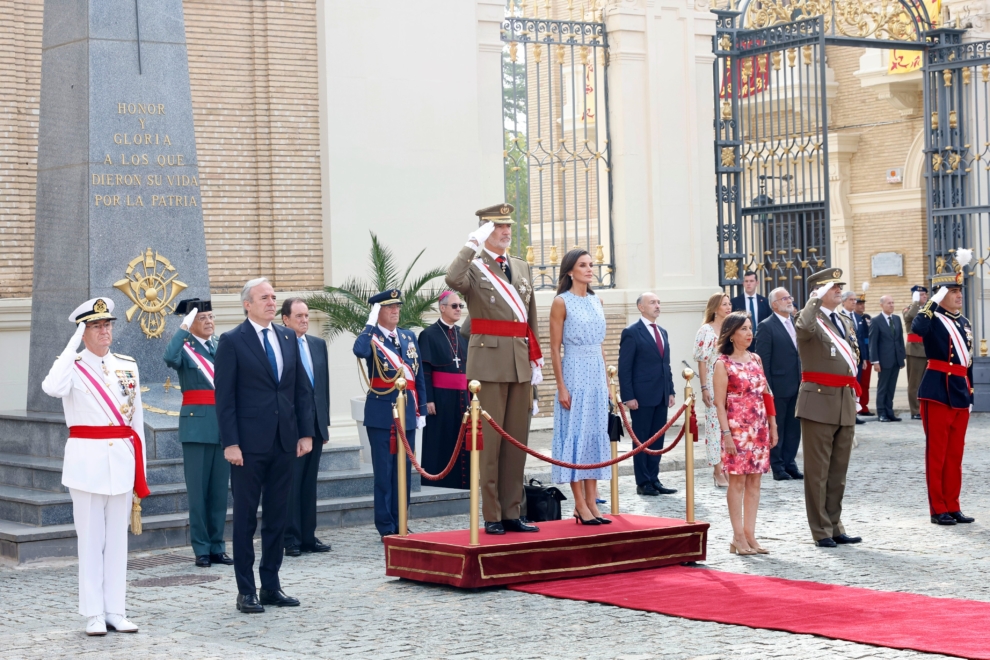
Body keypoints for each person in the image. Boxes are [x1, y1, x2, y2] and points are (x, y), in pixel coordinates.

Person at [42, 297, 145, 636]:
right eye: (96, 326)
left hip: (120, 462)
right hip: (86, 464)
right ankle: (93, 614)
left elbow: (137, 422)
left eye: (107, 325)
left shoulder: (127, 365)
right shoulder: (70, 366)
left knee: (117, 540)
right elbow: (51, 387)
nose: (105, 331)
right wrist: (72, 346)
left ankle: (115, 609)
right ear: (83, 332)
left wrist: (137, 468)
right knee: (90, 540)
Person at [215, 278, 316, 614]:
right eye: (264, 298)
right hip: (248, 446)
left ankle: (271, 584)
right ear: (247, 304)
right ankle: (246, 590)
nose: (272, 302)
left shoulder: (287, 336)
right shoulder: (232, 341)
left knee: (277, 516)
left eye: (274, 297)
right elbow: (225, 398)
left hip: (284, 441)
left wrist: (305, 433)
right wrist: (230, 442)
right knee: (245, 519)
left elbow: (300, 389)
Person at [445, 203, 543, 535]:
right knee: (490, 446)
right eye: (497, 227)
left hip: (519, 364)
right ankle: (492, 514)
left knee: (516, 443)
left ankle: (513, 510)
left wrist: (535, 364)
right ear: (485, 231)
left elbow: (531, 320)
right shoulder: (474, 267)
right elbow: (452, 278)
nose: (505, 232)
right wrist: (471, 244)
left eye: (508, 227)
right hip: (488, 364)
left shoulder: (521, 266)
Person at [794, 268, 862, 548]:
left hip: (844, 400)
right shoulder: (809, 318)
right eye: (832, 287)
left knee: (838, 473)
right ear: (819, 291)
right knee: (818, 471)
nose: (838, 290)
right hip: (818, 402)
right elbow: (803, 329)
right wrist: (814, 301)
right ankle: (820, 529)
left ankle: (835, 525)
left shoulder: (844, 320)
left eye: (839, 286)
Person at [353, 289, 428, 539]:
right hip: (381, 413)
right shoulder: (371, 338)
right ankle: (386, 526)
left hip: (407, 411)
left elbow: (418, 377)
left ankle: (402, 520)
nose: (396, 311)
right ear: (378, 312)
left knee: (404, 471)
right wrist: (369, 323)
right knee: (384, 474)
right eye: (389, 307)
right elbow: (359, 350)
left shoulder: (408, 337)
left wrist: (422, 409)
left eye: (397, 306)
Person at [163, 298, 232, 569]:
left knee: (218, 493)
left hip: (222, 428)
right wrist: (182, 327)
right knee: (198, 493)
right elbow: (169, 357)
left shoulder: (219, 347)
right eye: (202, 319)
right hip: (196, 428)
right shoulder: (185, 348)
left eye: (211, 317)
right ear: (191, 324)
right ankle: (201, 549)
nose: (209, 322)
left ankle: (218, 546)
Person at [550, 250, 612, 524]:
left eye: (591, 265)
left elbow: (601, 346)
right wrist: (561, 386)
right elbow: (553, 347)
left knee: (594, 435)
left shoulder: (597, 300)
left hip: (596, 374)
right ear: (569, 271)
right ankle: (579, 505)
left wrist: (610, 385)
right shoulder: (561, 302)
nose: (589, 269)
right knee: (575, 435)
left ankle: (591, 501)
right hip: (574, 371)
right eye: (583, 265)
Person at [912, 270, 975, 526]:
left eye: (960, 291)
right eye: (953, 292)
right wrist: (932, 302)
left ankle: (953, 505)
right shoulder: (933, 318)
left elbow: (967, 361)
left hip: (959, 390)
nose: (959, 296)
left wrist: (970, 393)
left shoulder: (964, 321)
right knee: (937, 453)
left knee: (954, 455)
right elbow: (918, 328)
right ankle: (938, 508)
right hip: (937, 390)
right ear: (941, 295)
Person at [713, 312, 777, 555]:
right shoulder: (722, 363)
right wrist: (726, 434)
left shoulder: (756, 359)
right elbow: (719, 403)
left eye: (750, 328)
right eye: (743, 329)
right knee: (737, 481)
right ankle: (737, 536)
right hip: (737, 429)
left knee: (755, 481)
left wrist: (773, 424)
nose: (749, 333)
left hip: (758, 426)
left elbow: (766, 392)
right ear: (731, 334)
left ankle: (751, 534)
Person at [280, 298, 332, 556]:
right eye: (298, 316)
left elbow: (323, 387)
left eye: (306, 316)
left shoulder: (317, 344)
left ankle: (308, 536)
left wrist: (324, 425)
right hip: (292, 427)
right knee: (292, 483)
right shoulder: (280, 345)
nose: (304, 320)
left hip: (315, 424)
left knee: (309, 483)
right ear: (285, 320)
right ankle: (290, 538)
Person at [619, 292, 677, 496]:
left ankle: (654, 478)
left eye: (658, 302)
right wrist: (628, 396)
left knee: (657, 440)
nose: (657, 305)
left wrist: (670, 391)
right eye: (652, 302)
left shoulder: (663, 332)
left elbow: (665, 365)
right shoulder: (632, 332)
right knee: (642, 440)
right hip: (641, 397)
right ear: (641, 307)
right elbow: (624, 367)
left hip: (661, 395)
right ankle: (643, 482)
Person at [419, 291, 470, 489]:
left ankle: (463, 482)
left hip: (462, 398)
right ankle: (438, 483)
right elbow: (424, 371)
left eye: (460, 306)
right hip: (440, 399)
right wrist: (428, 399)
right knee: (441, 441)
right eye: (455, 306)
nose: (459, 310)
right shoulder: (428, 334)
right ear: (442, 308)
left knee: (462, 439)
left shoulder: (462, 334)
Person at [755, 287, 802, 481]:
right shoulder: (766, 326)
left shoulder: (797, 323)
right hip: (778, 385)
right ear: (774, 304)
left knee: (794, 428)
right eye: (785, 298)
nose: (790, 300)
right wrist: (768, 388)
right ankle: (778, 466)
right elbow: (763, 360)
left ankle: (790, 463)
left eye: (790, 297)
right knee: (778, 427)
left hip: (798, 384)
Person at [694, 292, 733, 488]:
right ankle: (717, 470)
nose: (728, 307)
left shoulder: (730, 329)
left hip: (730, 384)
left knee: (729, 428)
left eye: (729, 303)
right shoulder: (706, 331)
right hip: (711, 382)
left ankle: (727, 466)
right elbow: (701, 361)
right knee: (715, 427)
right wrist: (703, 388)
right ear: (715, 307)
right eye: (724, 304)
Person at [869, 295, 905, 422]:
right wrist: (875, 361)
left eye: (893, 303)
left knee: (891, 388)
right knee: (883, 387)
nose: (891, 305)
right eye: (889, 303)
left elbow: (900, 339)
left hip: (895, 359)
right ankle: (882, 413)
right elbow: (873, 343)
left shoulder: (896, 319)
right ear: (882, 305)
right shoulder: (876, 321)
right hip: (883, 360)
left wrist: (901, 358)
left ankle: (890, 412)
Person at [903, 286, 928, 421]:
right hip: (915, 350)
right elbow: (911, 317)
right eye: (921, 295)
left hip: (928, 349)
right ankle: (915, 410)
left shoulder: (929, 309)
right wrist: (915, 303)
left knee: (927, 381)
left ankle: (925, 407)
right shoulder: (909, 309)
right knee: (915, 382)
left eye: (925, 295)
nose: (924, 297)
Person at [730, 271, 772, 344]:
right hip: (742, 340)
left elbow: (769, 320)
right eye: (746, 281)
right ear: (743, 283)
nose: (748, 284)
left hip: (761, 339)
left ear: (757, 283)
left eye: (751, 281)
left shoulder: (765, 302)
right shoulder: (735, 302)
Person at [854, 295, 874, 416]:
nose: (862, 306)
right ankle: (858, 407)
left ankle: (864, 406)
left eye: (863, 304)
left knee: (865, 383)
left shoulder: (867, 318)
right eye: (859, 303)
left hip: (868, 353)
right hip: (858, 354)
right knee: (858, 382)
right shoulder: (853, 318)